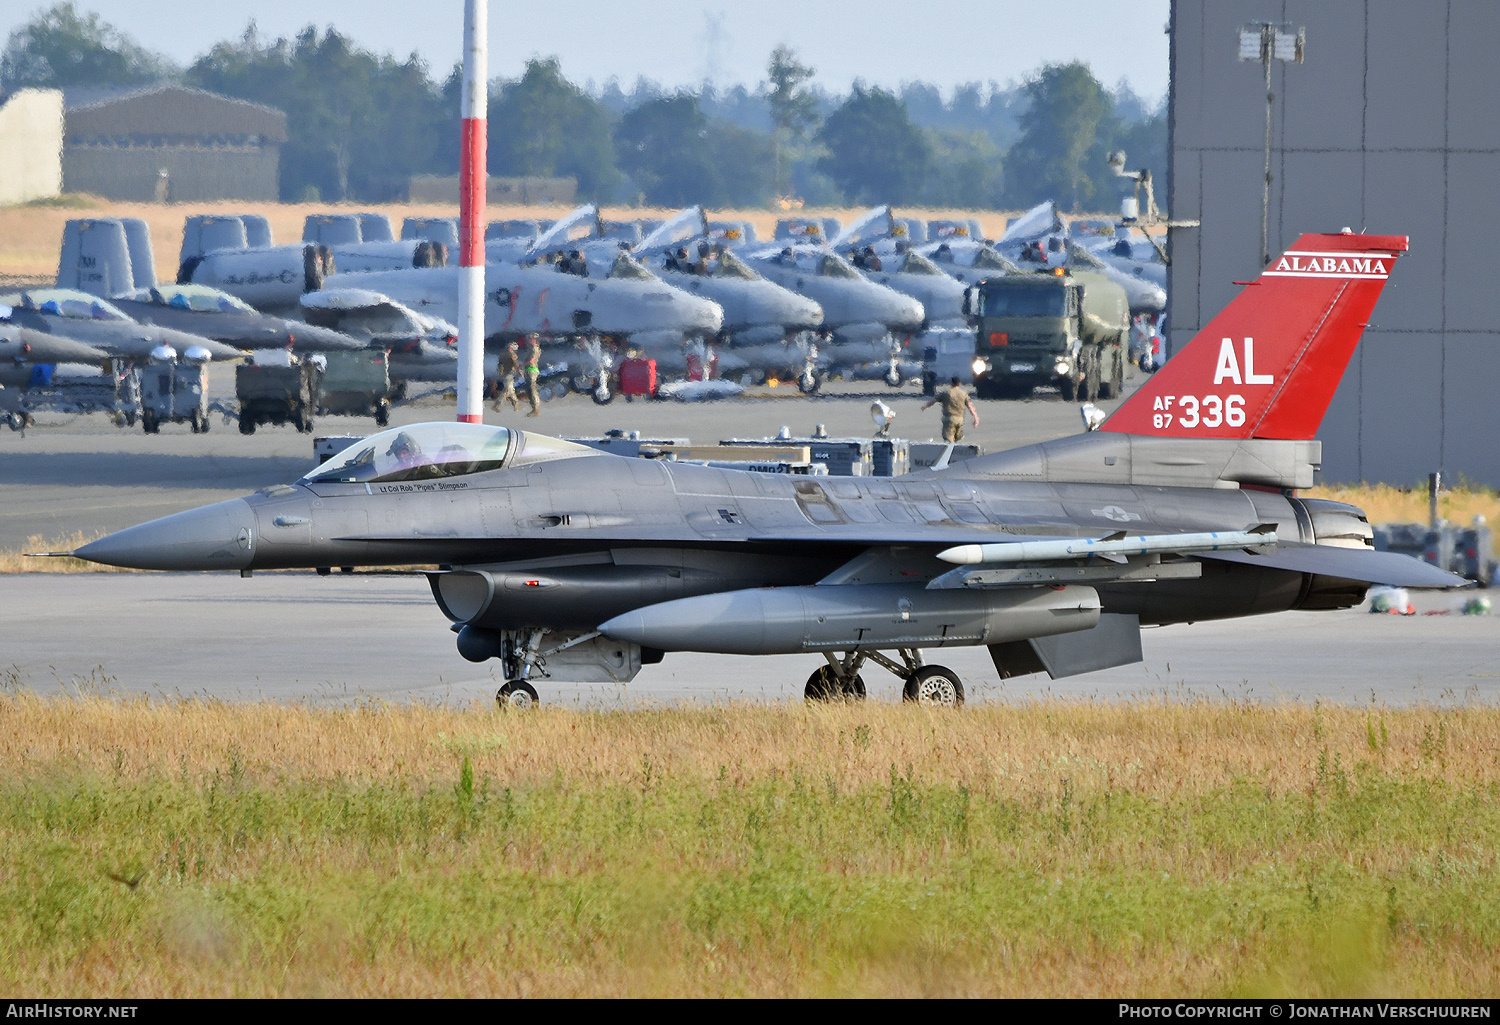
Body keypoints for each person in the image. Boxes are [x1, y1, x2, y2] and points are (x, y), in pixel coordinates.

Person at [923, 376, 980, 442]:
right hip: (960, 419)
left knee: (948, 439)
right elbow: (970, 406)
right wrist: (976, 418)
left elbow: (933, 401)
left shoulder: (946, 393)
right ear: (959, 383)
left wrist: (925, 406)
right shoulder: (963, 394)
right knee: (956, 437)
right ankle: (959, 437)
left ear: (951, 383)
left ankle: (951, 449)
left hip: (949, 419)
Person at [493, 340, 521, 412]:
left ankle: (516, 405)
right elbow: (516, 364)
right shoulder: (513, 355)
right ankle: (497, 404)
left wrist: (501, 373)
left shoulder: (503, 354)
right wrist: (520, 372)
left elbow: (500, 365)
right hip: (509, 373)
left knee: (511, 390)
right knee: (506, 390)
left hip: (506, 374)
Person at [524, 334, 542, 416]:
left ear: (534, 339)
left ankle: (535, 408)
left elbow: (531, 361)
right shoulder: (531, 348)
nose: (528, 340)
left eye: (530, 339)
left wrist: (522, 365)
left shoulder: (534, 348)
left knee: (532, 389)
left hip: (532, 370)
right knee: (529, 389)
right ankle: (534, 408)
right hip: (529, 369)